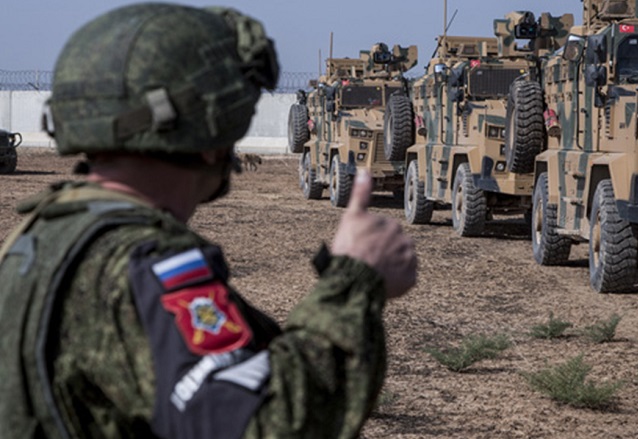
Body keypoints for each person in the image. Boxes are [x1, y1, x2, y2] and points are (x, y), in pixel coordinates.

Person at [0, 3, 416, 439]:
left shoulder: (41, 234)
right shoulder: (145, 264)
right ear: (210, 122)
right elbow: (269, 425)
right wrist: (353, 282)